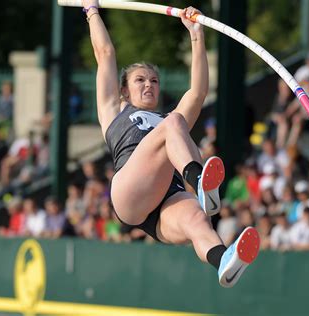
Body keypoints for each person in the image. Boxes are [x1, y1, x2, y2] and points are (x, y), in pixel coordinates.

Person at [82, 0, 259, 287]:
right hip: (130, 191)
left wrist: (196, 33)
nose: (149, 84)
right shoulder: (115, 112)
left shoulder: (168, 120)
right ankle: (201, 182)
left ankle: (223, 260)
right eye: (140, 80)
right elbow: (105, 53)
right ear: (124, 90)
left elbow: (198, 92)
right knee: (175, 123)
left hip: (166, 201)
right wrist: (91, 11)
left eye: (154, 80)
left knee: (198, 221)